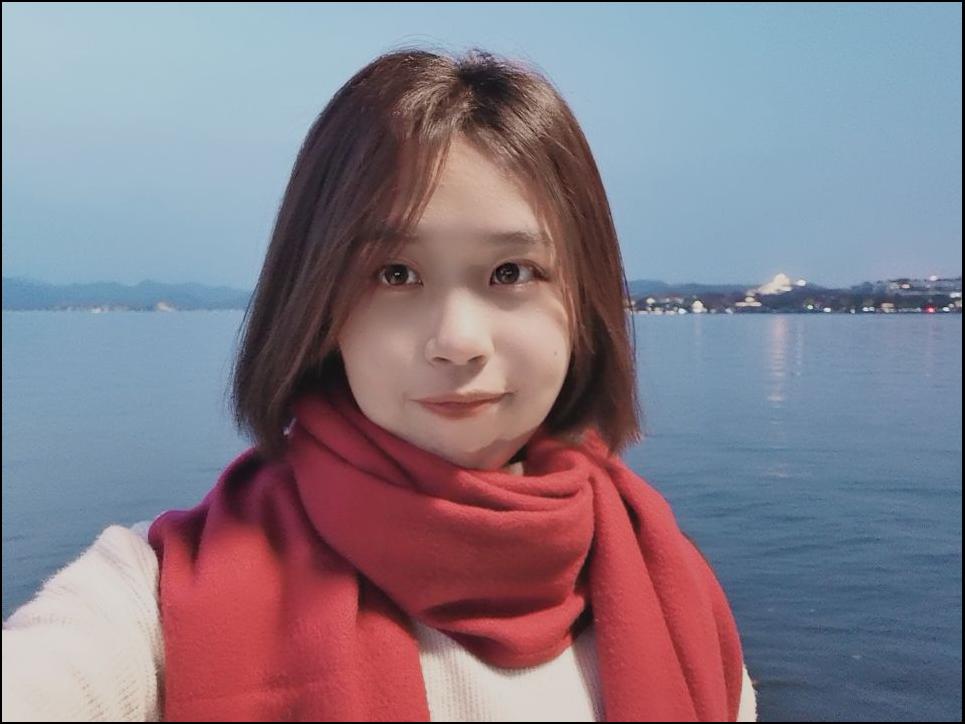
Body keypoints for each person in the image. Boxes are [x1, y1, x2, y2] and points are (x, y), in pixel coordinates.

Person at [2, 46, 758, 722]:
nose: (457, 341)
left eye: (511, 272)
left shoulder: (674, 594)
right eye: (395, 274)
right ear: (318, 304)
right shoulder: (155, 598)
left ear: (583, 299)